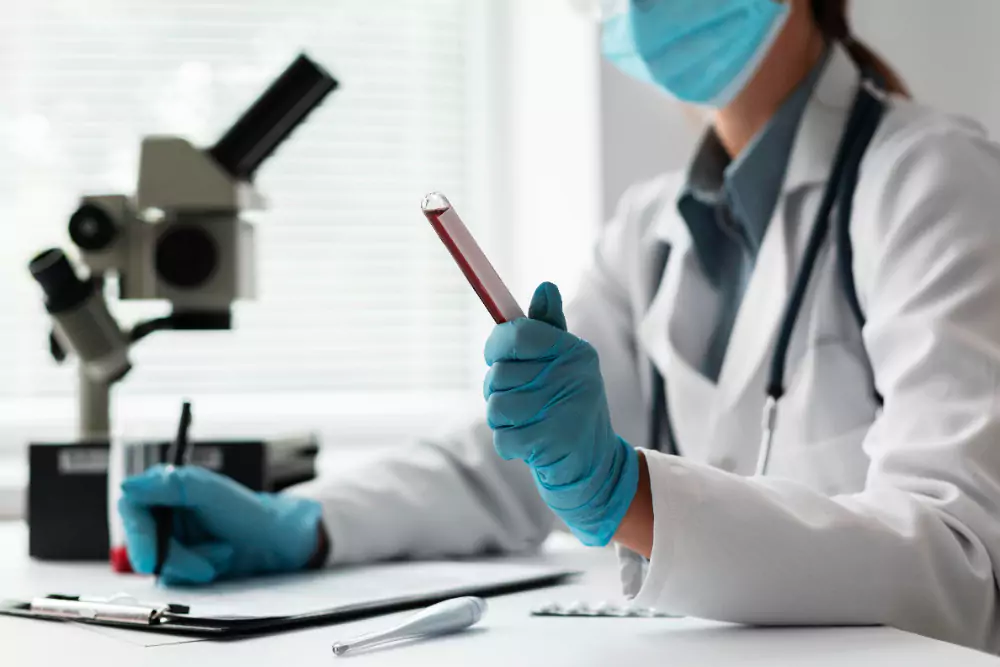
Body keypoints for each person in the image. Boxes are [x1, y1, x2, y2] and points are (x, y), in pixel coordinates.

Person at [118, 0, 1000, 652]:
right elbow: (502, 469)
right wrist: (303, 523)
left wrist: (631, 495)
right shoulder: (650, 226)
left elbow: (961, 567)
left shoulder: (932, 180)